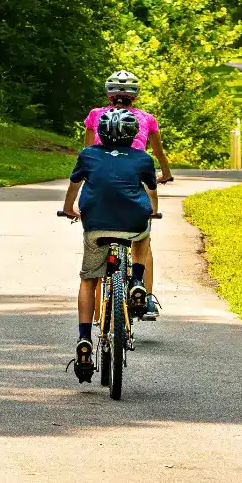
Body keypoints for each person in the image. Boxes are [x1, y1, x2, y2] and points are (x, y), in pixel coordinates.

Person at [63, 108, 159, 380]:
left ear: (101, 135)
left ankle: (84, 338)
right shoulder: (143, 158)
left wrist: (69, 208)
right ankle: (137, 282)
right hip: (132, 223)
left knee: (88, 280)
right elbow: (151, 190)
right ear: (133, 134)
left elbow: (74, 185)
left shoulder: (88, 155)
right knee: (143, 235)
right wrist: (152, 210)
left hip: (96, 224)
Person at [83, 70, 171, 319]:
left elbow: (89, 151)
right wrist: (165, 173)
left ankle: (98, 313)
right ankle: (146, 297)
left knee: (98, 246)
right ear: (135, 95)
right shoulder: (146, 118)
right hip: (137, 179)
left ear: (108, 94)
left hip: (101, 182)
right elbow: (158, 152)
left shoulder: (95, 116)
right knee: (142, 238)